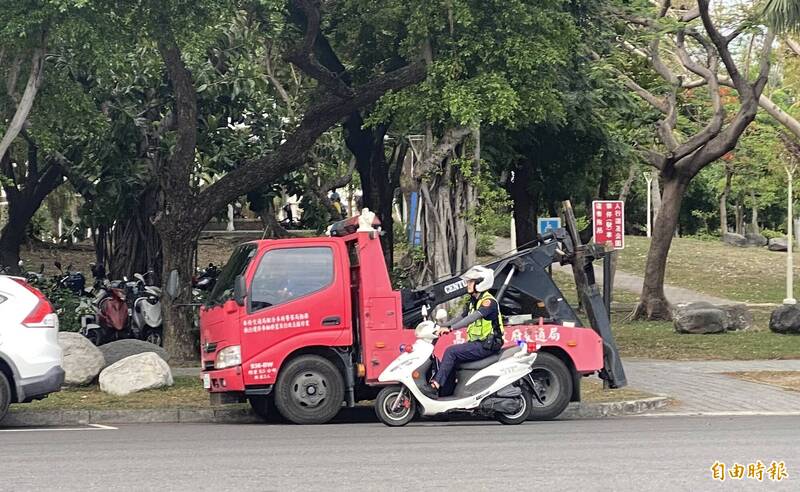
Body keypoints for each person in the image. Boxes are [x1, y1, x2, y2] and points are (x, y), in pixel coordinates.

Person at [426, 265, 504, 397]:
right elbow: (461, 317)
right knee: (450, 360)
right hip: (478, 343)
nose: (467, 284)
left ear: (481, 283)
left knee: (451, 351)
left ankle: (435, 385)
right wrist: (440, 327)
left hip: (488, 345)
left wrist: (450, 329)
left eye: (471, 282)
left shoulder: (488, 302)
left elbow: (472, 318)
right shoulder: (474, 301)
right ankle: (445, 395)